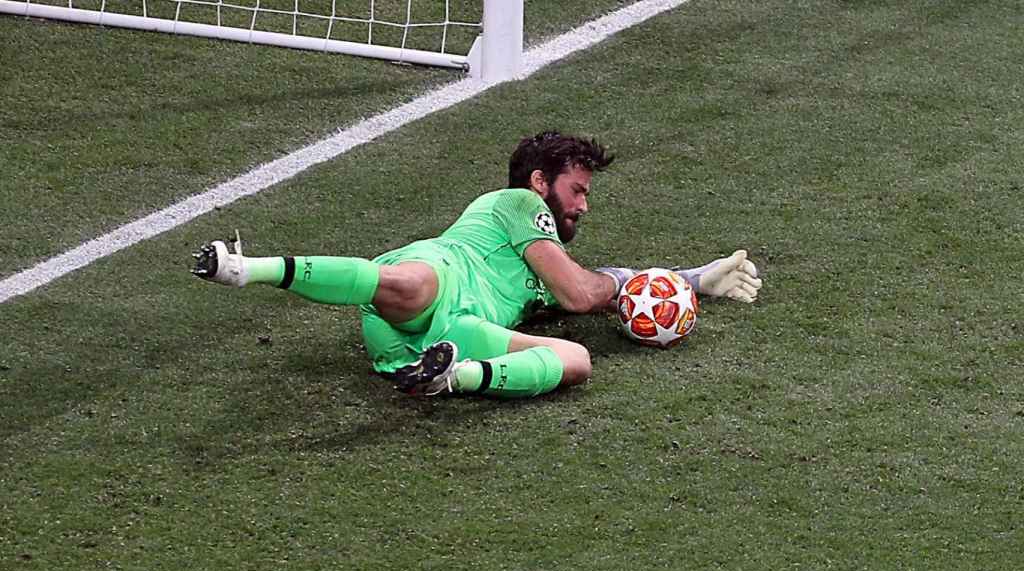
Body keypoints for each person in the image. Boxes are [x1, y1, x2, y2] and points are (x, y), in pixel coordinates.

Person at [192, 131, 762, 398]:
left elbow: (597, 285)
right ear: (540, 184)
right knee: (411, 284)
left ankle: (452, 378)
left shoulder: (535, 271)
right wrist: (651, 282)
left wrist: (695, 280)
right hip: (436, 281)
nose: (583, 205)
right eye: (577, 190)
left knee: (577, 360)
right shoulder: (517, 205)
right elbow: (584, 294)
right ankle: (246, 268)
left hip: (440, 340)